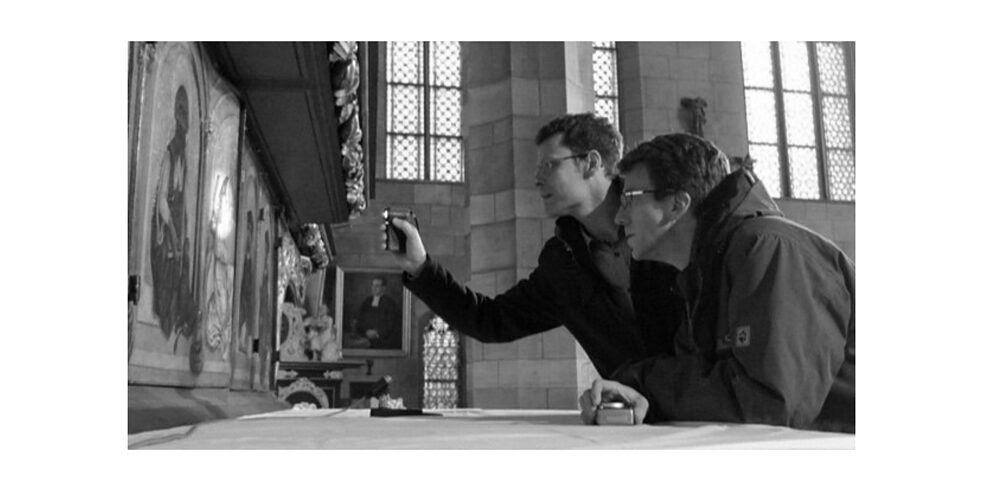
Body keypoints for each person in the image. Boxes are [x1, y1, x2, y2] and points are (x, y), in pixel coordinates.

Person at [578, 133, 855, 433]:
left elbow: (767, 401)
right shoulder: (704, 268)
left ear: (677, 204)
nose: (619, 217)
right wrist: (634, 391)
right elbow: (699, 375)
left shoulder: (768, 248)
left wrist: (644, 385)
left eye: (629, 199)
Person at [385, 113, 682, 378]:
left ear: (591, 163)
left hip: (700, 408)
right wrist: (420, 267)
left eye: (549, 165)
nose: (537, 179)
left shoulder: (664, 219)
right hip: (636, 416)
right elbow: (490, 320)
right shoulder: (561, 262)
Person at [354, 277, 401, 349]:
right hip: (365, 337)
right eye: (373, 285)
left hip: (383, 339)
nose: (374, 288)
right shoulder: (367, 301)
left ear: (384, 288)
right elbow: (360, 319)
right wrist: (366, 331)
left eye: (377, 286)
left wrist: (377, 333)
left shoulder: (390, 303)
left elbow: (392, 324)